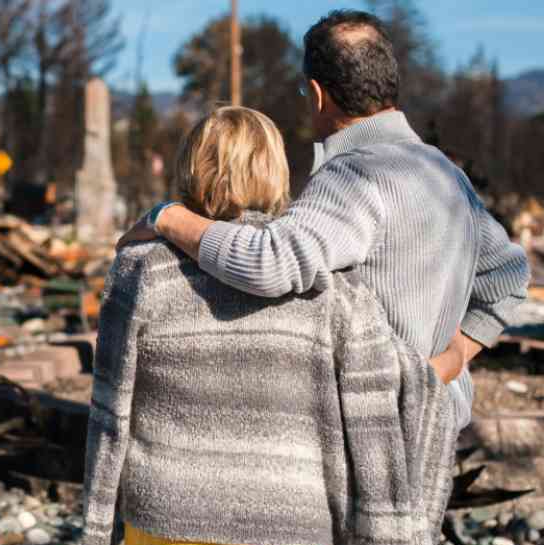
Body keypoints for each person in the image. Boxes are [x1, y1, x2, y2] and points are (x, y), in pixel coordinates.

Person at [119, 10, 530, 429]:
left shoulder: (355, 174)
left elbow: (268, 263)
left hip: (378, 431)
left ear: (317, 94)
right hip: (438, 423)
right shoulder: (444, 173)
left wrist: (166, 217)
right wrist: (454, 355)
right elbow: (508, 278)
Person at [81, 106, 457, 545]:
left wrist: (97, 538)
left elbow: (109, 414)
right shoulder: (330, 289)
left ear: (190, 169)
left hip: (165, 526)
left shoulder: (141, 270)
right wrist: (454, 356)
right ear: (276, 173)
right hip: (294, 531)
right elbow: (389, 396)